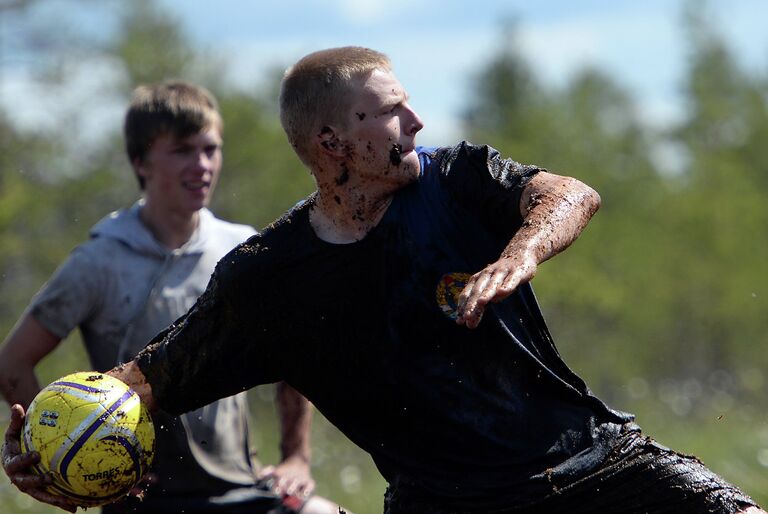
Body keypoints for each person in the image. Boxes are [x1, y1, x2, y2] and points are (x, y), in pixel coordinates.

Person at [4, 47, 764, 513]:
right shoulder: (267, 282)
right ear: (333, 141)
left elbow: (568, 194)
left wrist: (519, 254)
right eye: (393, 113)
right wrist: (51, 449)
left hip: (589, 464)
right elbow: (139, 383)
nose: (418, 123)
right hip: (444, 506)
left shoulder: (457, 180)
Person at [0, 81, 345, 514]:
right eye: (183, 150)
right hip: (139, 496)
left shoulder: (244, 250)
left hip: (241, 486)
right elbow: (12, 362)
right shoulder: (99, 260)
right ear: (140, 160)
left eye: (210, 149)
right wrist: (54, 455)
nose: (202, 164)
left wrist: (296, 456)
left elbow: (294, 354)